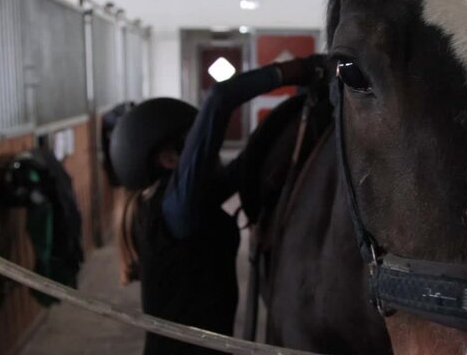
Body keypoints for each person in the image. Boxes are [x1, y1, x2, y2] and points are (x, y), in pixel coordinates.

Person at [109, 56, 325, 355]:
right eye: (191, 147)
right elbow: (219, 99)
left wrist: (305, 102)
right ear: (169, 159)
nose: (210, 154)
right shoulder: (174, 211)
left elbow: (247, 163)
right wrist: (295, 70)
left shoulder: (186, 205)